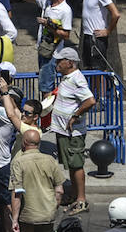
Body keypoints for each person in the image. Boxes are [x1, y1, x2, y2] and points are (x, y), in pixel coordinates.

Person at [49, 48, 94, 216]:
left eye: (60, 60)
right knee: (71, 165)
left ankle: (81, 200)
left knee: (76, 165)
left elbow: (90, 101)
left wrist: (75, 116)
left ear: (70, 63)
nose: (56, 63)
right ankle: (75, 196)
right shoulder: (68, 78)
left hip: (73, 133)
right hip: (64, 131)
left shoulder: (77, 79)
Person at [9, 128, 61, 232]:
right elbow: (59, 190)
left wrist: (14, 219)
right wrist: (53, 208)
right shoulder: (50, 160)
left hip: (28, 216)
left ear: (24, 142)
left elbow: (17, 193)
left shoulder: (18, 163)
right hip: (48, 214)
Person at [79, 0, 119, 72]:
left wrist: (107, 31)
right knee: (88, 67)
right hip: (87, 35)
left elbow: (116, 14)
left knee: (98, 70)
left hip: (96, 38)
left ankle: (101, 89)